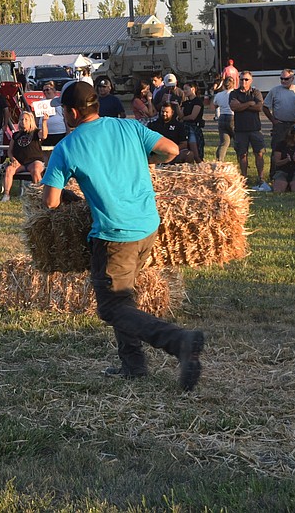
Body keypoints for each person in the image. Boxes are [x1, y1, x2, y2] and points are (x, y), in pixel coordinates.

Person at [40, 80, 204, 391]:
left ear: (71, 112)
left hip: (115, 235)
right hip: (147, 226)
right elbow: (170, 150)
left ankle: (179, 341)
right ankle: (134, 365)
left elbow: (50, 201)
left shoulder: (68, 147)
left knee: (112, 307)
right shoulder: (128, 127)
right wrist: (144, 162)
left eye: (63, 111)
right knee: (123, 296)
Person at [229, 71, 267, 189]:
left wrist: (243, 105)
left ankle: (260, 178)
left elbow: (259, 107)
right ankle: (244, 178)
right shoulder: (234, 93)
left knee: (259, 153)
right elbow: (234, 107)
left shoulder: (256, 92)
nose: (243, 82)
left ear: (251, 81)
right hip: (240, 130)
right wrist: (250, 103)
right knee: (242, 155)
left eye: (246, 79)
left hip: (255, 129)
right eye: (241, 79)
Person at [1, 111, 45, 202]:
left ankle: (40, 193)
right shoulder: (16, 135)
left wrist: (44, 121)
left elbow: (44, 135)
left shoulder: (36, 132)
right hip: (19, 162)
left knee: (36, 170)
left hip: (34, 161)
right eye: (21, 119)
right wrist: (13, 159)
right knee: (9, 169)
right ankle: (6, 194)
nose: (23, 121)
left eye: (26, 119)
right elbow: (9, 151)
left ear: (30, 121)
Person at [263, 68, 295, 149]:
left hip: (294, 125)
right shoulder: (274, 90)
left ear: (292, 78)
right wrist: (273, 120)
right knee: (277, 149)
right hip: (280, 126)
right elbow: (265, 107)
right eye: (281, 78)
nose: (283, 81)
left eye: (286, 79)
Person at [271, 126, 295, 193]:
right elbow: (277, 162)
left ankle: (292, 184)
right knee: (278, 190)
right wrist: (286, 160)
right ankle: (283, 183)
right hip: (282, 171)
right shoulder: (280, 144)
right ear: (291, 136)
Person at [179, 82, 205, 161]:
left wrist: (183, 118)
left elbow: (193, 116)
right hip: (185, 127)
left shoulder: (197, 101)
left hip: (193, 128)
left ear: (193, 89)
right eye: (184, 89)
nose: (184, 91)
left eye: (186, 89)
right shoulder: (185, 103)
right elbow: (181, 115)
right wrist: (177, 106)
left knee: (195, 152)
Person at [211, 79, 234, 162]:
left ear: (223, 85)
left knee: (224, 142)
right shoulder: (234, 93)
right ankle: (241, 159)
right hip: (232, 117)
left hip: (222, 117)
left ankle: (219, 161)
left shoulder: (219, 95)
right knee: (238, 141)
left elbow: (214, 106)